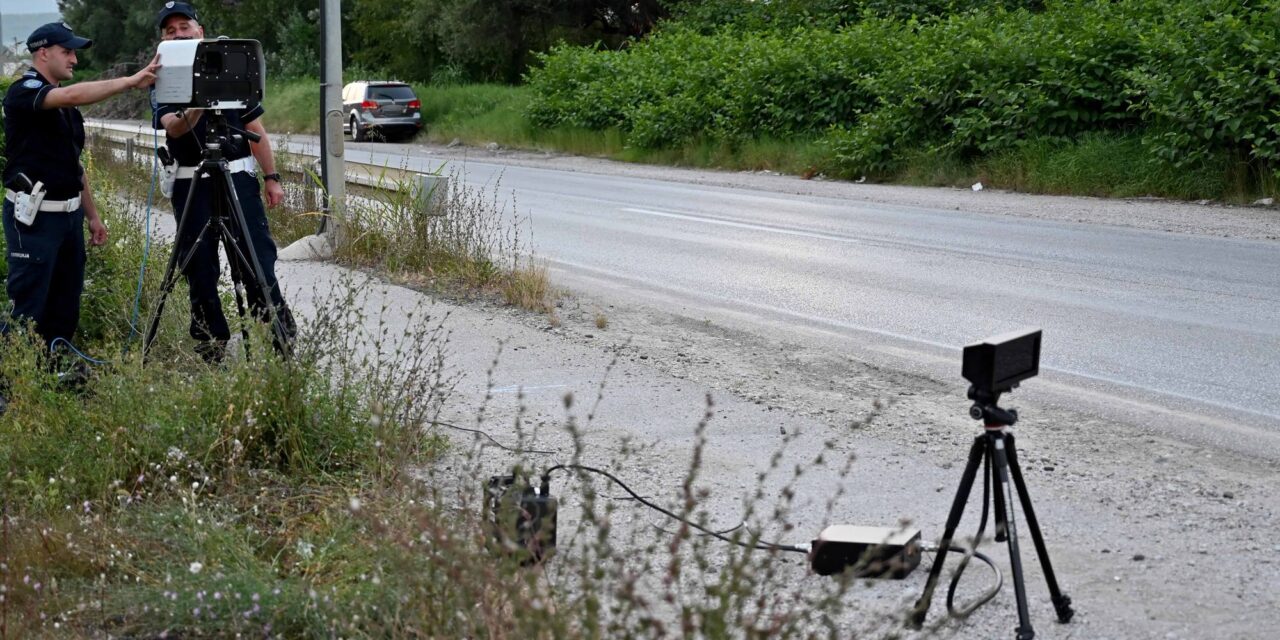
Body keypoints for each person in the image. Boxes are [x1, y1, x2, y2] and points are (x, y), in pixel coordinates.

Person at [2, 23, 161, 412]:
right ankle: (8, 388)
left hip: (69, 218)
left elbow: (73, 165)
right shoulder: (25, 92)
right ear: (43, 54)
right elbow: (70, 93)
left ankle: (54, 374)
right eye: (67, 51)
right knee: (28, 306)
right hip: (34, 220)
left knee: (65, 304)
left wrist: (93, 216)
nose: (75, 58)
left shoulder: (65, 107)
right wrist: (129, 82)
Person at [153, 2, 295, 362]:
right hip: (191, 180)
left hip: (238, 178)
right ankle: (210, 343)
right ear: (162, 40)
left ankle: (280, 336)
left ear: (199, 30)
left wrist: (272, 177)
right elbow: (174, 126)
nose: (178, 34)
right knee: (199, 266)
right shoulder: (161, 75)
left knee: (255, 260)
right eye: (170, 31)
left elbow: (254, 127)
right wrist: (199, 99)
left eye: (184, 26)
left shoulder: (228, 61)